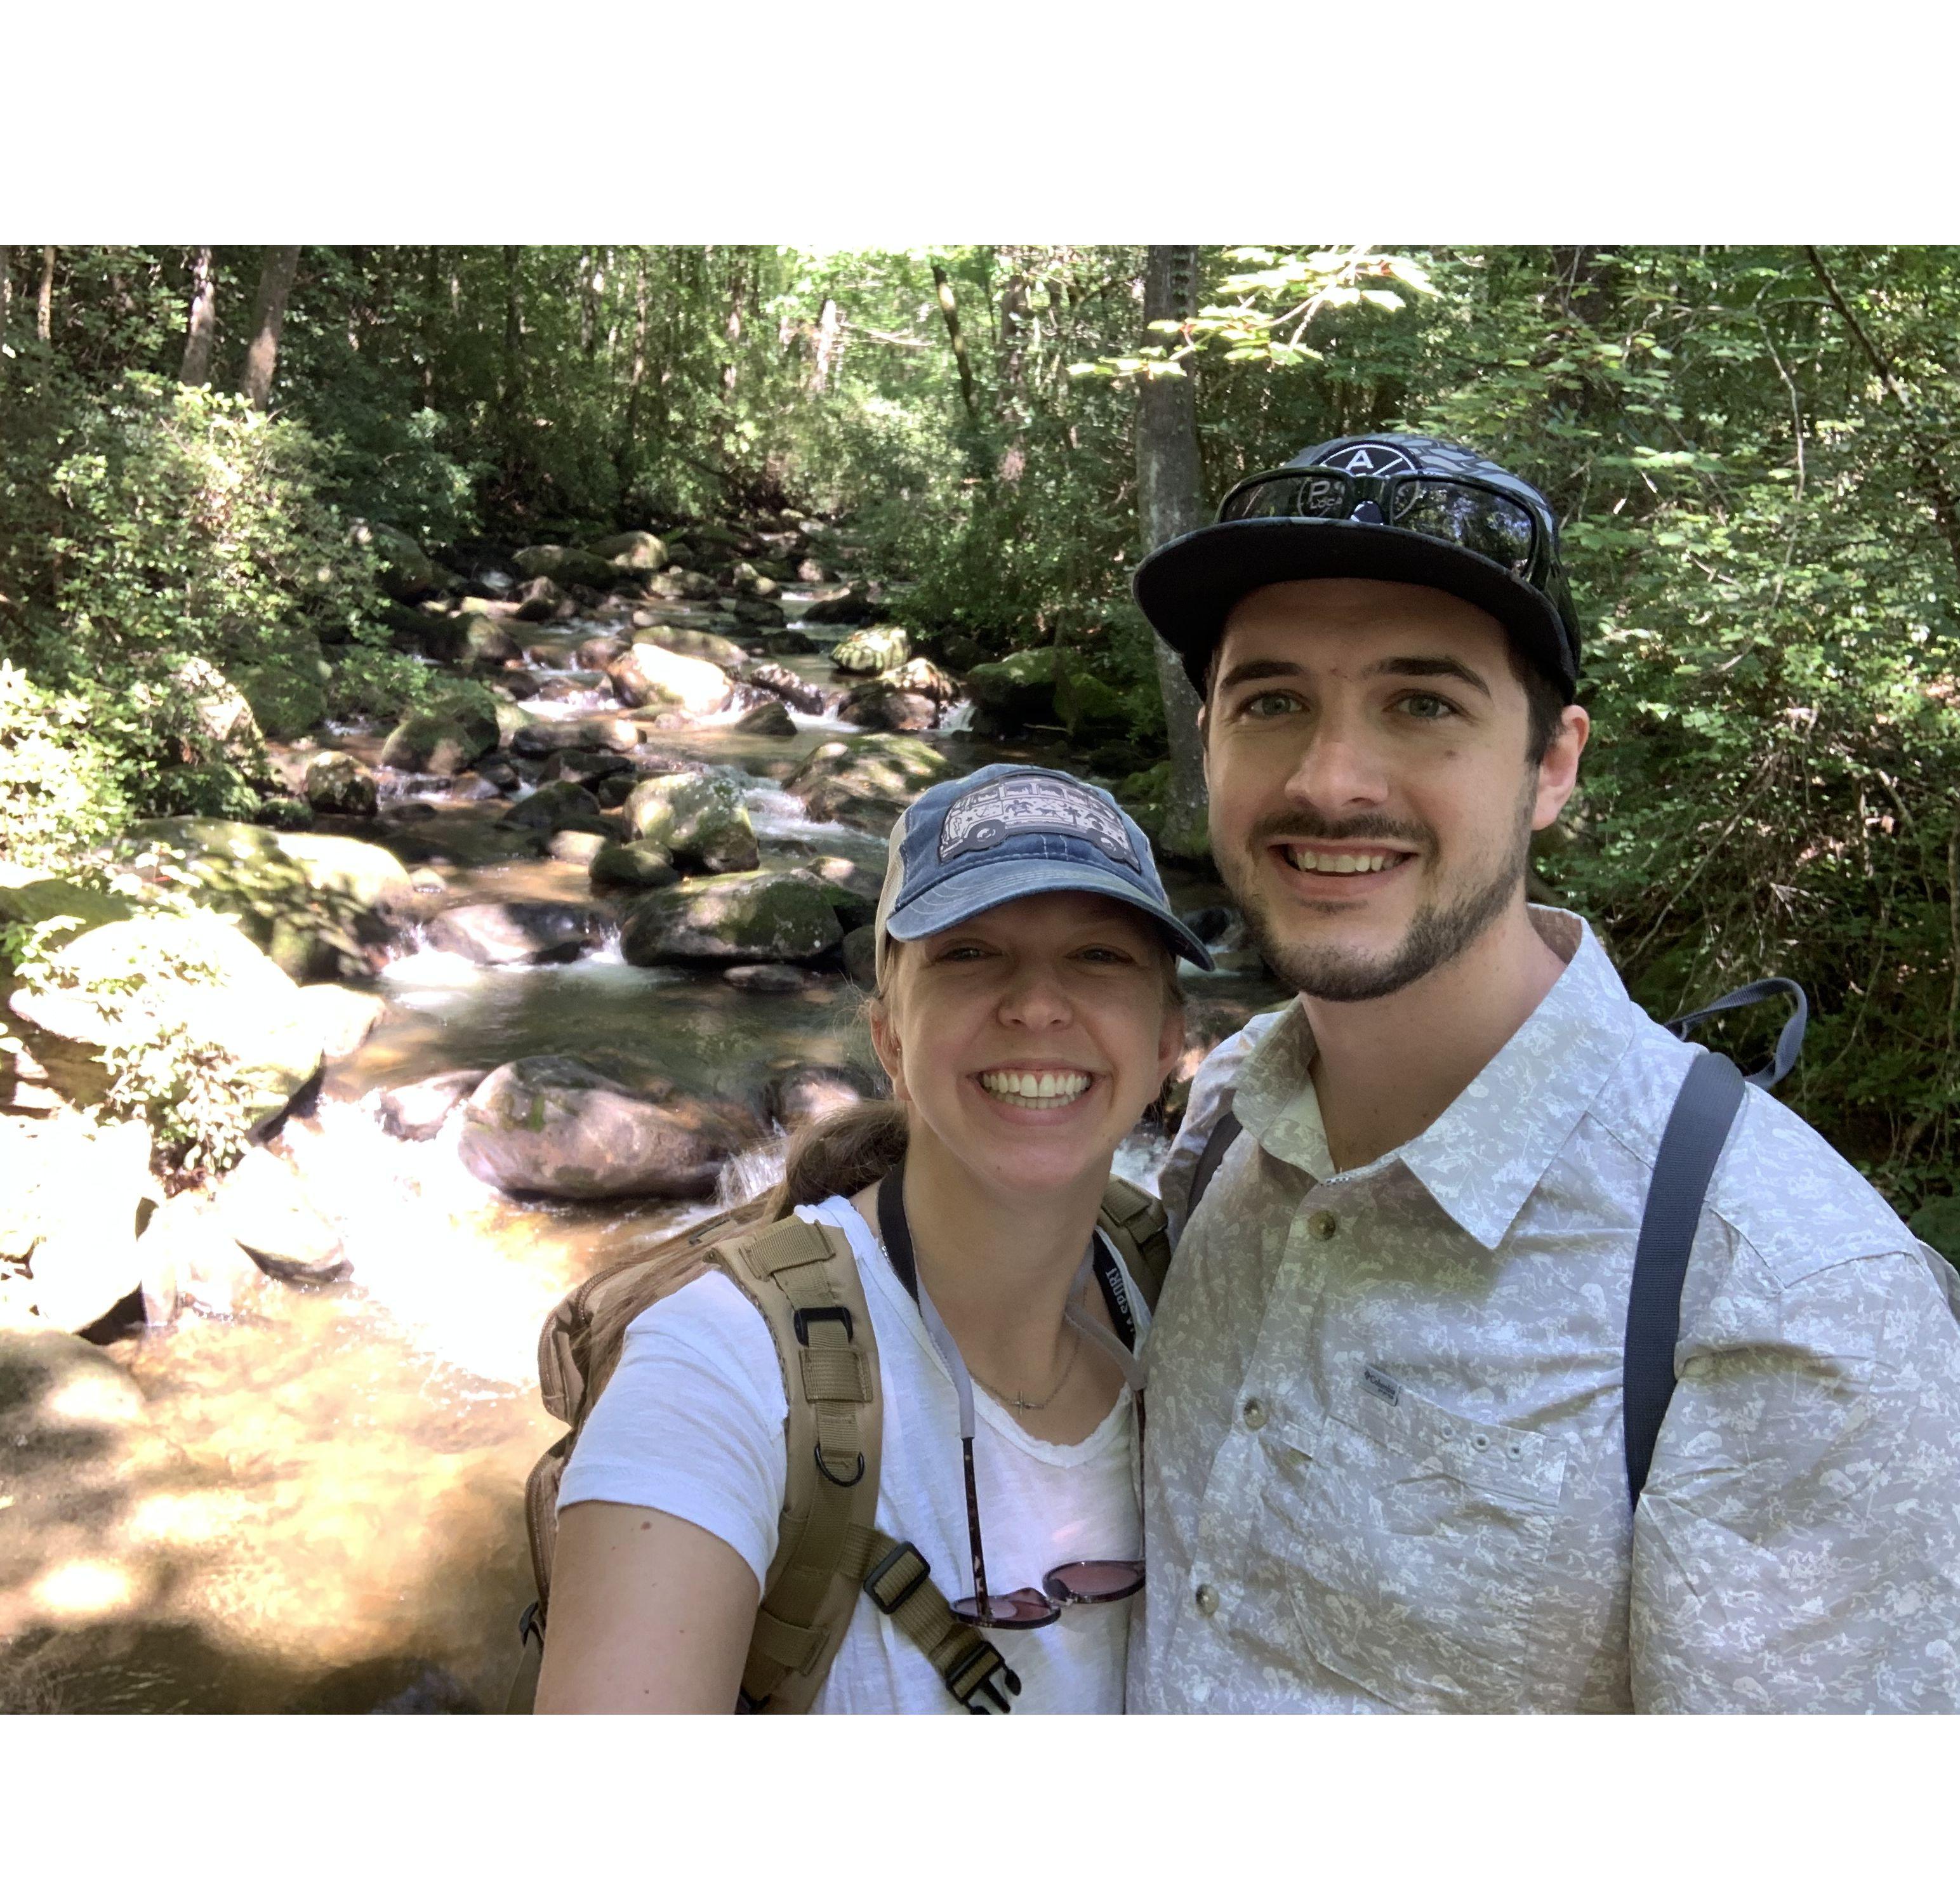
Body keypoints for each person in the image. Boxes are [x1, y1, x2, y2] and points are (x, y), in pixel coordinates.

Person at [1127, 432, 1960, 1713]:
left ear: (1552, 763)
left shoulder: (1781, 1292)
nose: (1328, 779)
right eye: (1269, 699)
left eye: (1422, 703)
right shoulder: (1232, 1114)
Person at [533, 763, 1207, 1713]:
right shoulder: (721, 1367)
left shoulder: (1183, 1282)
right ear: (888, 1039)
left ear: (1170, 1040)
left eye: (1100, 957)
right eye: (970, 954)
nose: (1038, 1007)